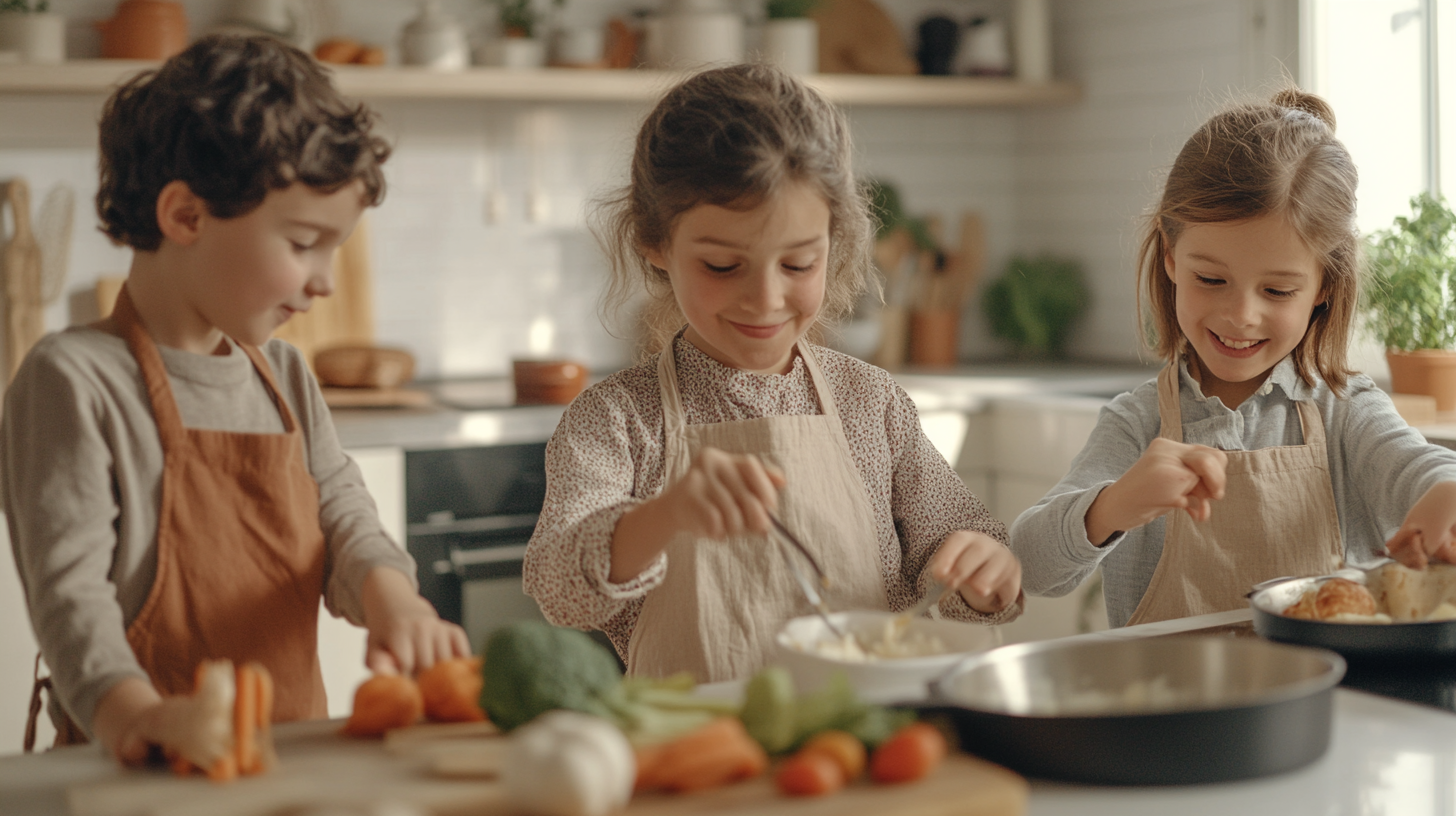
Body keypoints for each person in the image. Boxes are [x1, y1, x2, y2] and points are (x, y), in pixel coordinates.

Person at [1, 35, 469, 762]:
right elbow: (71, 602)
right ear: (186, 217)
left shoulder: (282, 376)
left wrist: (393, 601)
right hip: (137, 767)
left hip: (281, 765)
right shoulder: (73, 379)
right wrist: (136, 722)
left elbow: (345, 519)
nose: (325, 282)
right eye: (304, 242)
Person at [522, 63, 1022, 683]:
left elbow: (956, 545)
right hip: (698, 753)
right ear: (656, 245)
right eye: (723, 266)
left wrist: (985, 571)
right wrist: (666, 513)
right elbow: (560, 590)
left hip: (863, 742)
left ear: (833, 243)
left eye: (798, 264)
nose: (765, 299)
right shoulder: (619, 421)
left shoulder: (870, 402)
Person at [1009, 89, 1456, 628]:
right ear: (1171, 256)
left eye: (1277, 291)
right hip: (1166, 702)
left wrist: (1447, 495)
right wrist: (1116, 504)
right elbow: (1030, 565)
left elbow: (1422, 469)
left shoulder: (1346, 412)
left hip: (1326, 705)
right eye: (1211, 279)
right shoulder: (1138, 424)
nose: (1241, 314)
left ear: (1324, 287)